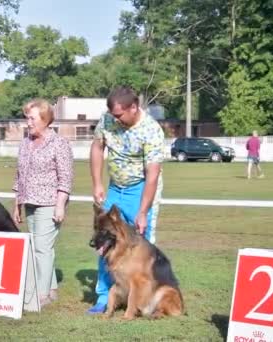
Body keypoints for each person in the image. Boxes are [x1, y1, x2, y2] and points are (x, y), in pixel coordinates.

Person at [88, 86, 164, 314]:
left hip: (140, 190)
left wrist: (142, 211)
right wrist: (97, 183)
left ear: (134, 107)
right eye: (112, 114)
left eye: (119, 115)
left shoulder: (151, 130)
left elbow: (152, 175)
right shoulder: (107, 120)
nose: (115, 119)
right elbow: (97, 147)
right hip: (115, 188)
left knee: (141, 249)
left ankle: (141, 300)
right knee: (105, 241)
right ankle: (104, 297)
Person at [13, 99, 74, 306]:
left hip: (50, 202)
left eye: (32, 118)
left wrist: (59, 205)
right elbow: (19, 175)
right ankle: (52, 286)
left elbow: (65, 177)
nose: (28, 122)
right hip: (29, 201)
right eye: (27, 118)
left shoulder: (59, 144)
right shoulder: (25, 143)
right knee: (37, 246)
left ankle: (41, 294)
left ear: (45, 119)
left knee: (41, 247)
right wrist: (17, 205)